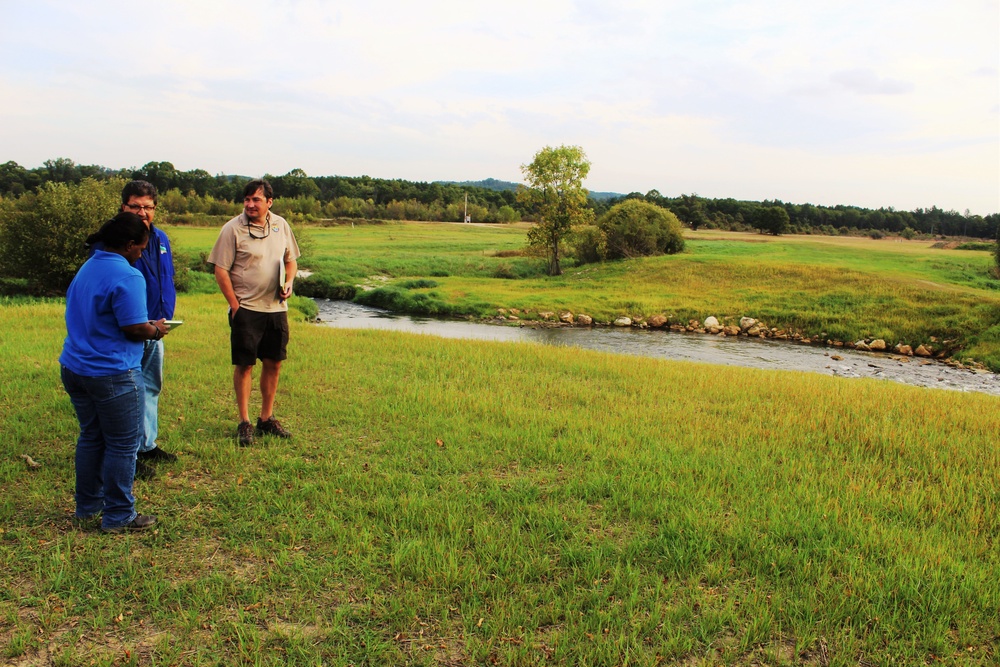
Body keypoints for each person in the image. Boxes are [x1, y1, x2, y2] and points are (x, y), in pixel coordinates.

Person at [60, 212, 170, 532]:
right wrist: (155, 329)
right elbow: (134, 327)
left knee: (91, 436)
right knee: (122, 445)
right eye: (141, 248)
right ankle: (119, 515)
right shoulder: (128, 276)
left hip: (75, 367)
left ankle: (87, 506)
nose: (142, 253)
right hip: (113, 373)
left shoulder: (89, 265)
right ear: (129, 245)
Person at [91, 181, 178, 480]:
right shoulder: (110, 241)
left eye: (148, 207)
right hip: (127, 329)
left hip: (156, 325)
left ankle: (146, 444)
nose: (143, 212)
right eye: (135, 206)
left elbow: (165, 277)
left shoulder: (161, 238)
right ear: (123, 207)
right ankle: (125, 453)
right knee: (124, 393)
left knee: (150, 386)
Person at [208, 179, 300, 447]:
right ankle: (245, 422)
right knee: (245, 364)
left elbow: (290, 260)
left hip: (276, 309)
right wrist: (235, 306)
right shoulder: (232, 229)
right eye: (247, 199)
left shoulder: (281, 225)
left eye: (256, 199)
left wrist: (289, 282)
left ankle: (267, 418)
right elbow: (220, 270)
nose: (250, 204)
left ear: (269, 202)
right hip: (246, 309)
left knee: (274, 362)